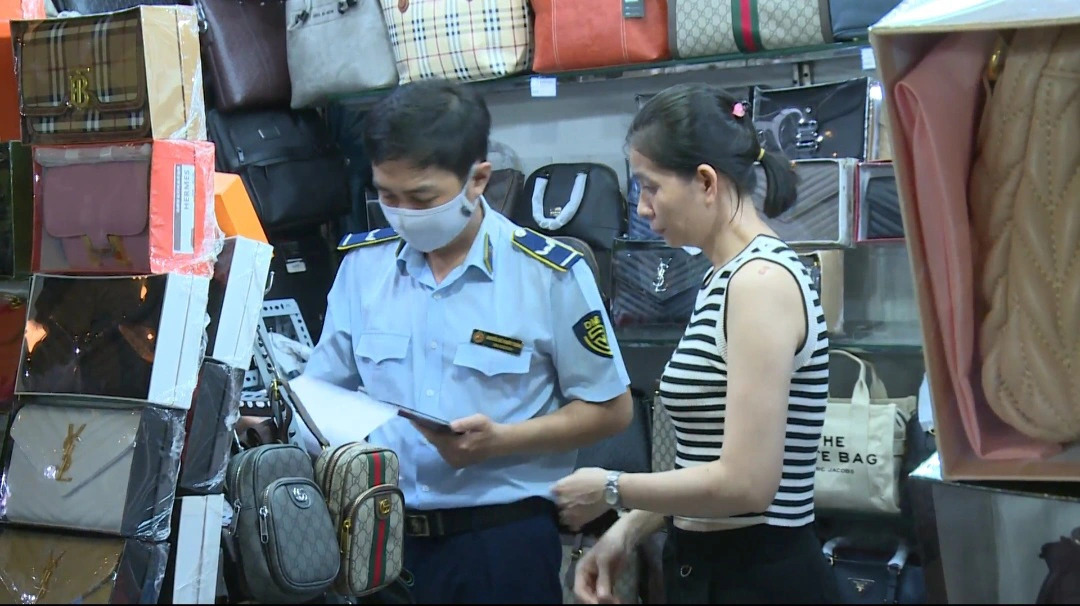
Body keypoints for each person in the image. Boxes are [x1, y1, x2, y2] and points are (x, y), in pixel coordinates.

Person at [299, 79, 634, 604]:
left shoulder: (548, 274)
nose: (403, 211)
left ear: (478, 179)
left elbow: (610, 410)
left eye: (422, 197)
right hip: (380, 539)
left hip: (500, 543)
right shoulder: (362, 268)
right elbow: (322, 390)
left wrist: (502, 441)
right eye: (387, 195)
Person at [552, 83, 838, 604]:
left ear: (705, 181)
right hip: (713, 568)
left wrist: (612, 488)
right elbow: (707, 461)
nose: (641, 208)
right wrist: (630, 527)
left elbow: (747, 484)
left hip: (756, 577)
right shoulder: (723, 278)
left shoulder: (759, 282)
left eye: (650, 187)